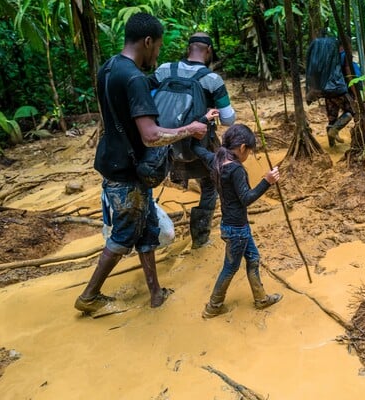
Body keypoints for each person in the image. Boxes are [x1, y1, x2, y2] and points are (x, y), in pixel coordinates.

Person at [74, 13, 213, 314]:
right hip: (127, 173)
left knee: (147, 229)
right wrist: (190, 129)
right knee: (123, 237)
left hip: (116, 161)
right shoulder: (135, 78)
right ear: (148, 41)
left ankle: (155, 293)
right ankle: (88, 296)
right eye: (158, 47)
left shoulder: (109, 68)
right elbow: (151, 136)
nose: (158, 54)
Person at [152, 32, 236, 250]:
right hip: (198, 146)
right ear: (208, 51)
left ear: (188, 48)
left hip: (164, 144)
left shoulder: (163, 70)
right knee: (210, 185)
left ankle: (148, 236)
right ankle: (200, 237)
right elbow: (228, 119)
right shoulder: (212, 79)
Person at [191, 124, 283, 319]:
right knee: (230, 266)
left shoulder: (216, 159)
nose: (248, 155)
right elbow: (246, 198)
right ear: (242, 148)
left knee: (253, 258)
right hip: (237, 230)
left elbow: (197, 149)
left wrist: (200, 125)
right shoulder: (236, 170)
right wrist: (267, 181)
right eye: (249, 151)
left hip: (232, 226)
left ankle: (260, 298)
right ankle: (213, 306)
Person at [325, 42, 361, 148]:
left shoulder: (330, 58)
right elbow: (350, 75)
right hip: (341, 91)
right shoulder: (346, 56)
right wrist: (355, 94)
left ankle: (332, 146)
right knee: (351, 111)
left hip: (328, 91)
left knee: (332, 118)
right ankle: (335, 130)